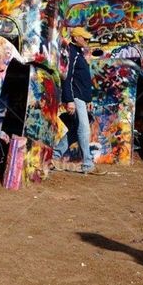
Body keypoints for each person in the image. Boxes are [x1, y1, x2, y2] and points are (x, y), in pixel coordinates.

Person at [53, 26, 95, 174]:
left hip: (81, 97)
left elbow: (83, 79)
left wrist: (88, 99)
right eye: (85, 38)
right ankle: (87, 164)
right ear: (76, 38)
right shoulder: (71, 53)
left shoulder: (78, 53)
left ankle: (55, 155)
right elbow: (67, 78)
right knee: (84, 128)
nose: (87, 40)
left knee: (76, 129)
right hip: (75, 97)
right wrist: (69, 100)